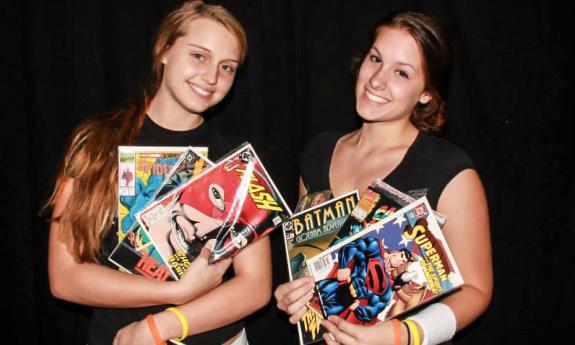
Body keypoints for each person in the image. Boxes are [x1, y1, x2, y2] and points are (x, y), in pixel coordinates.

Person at [46, 2, 272, 344]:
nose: (211, 77)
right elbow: (65, 277)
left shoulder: (235, 162)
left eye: (227, 67)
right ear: (164, 50)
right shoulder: (96, 142)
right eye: (199, 56)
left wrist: (163, 325)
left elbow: (255, 286)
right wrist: (179, 291)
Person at [274, 11, 492, 345]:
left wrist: (403, 334)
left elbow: (476, 291)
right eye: (376, 59)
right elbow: (312, 268)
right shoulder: (317, 153)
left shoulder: (450, 171)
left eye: (402, 73)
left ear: (427, 94)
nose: (377, 80)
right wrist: (296, 296)